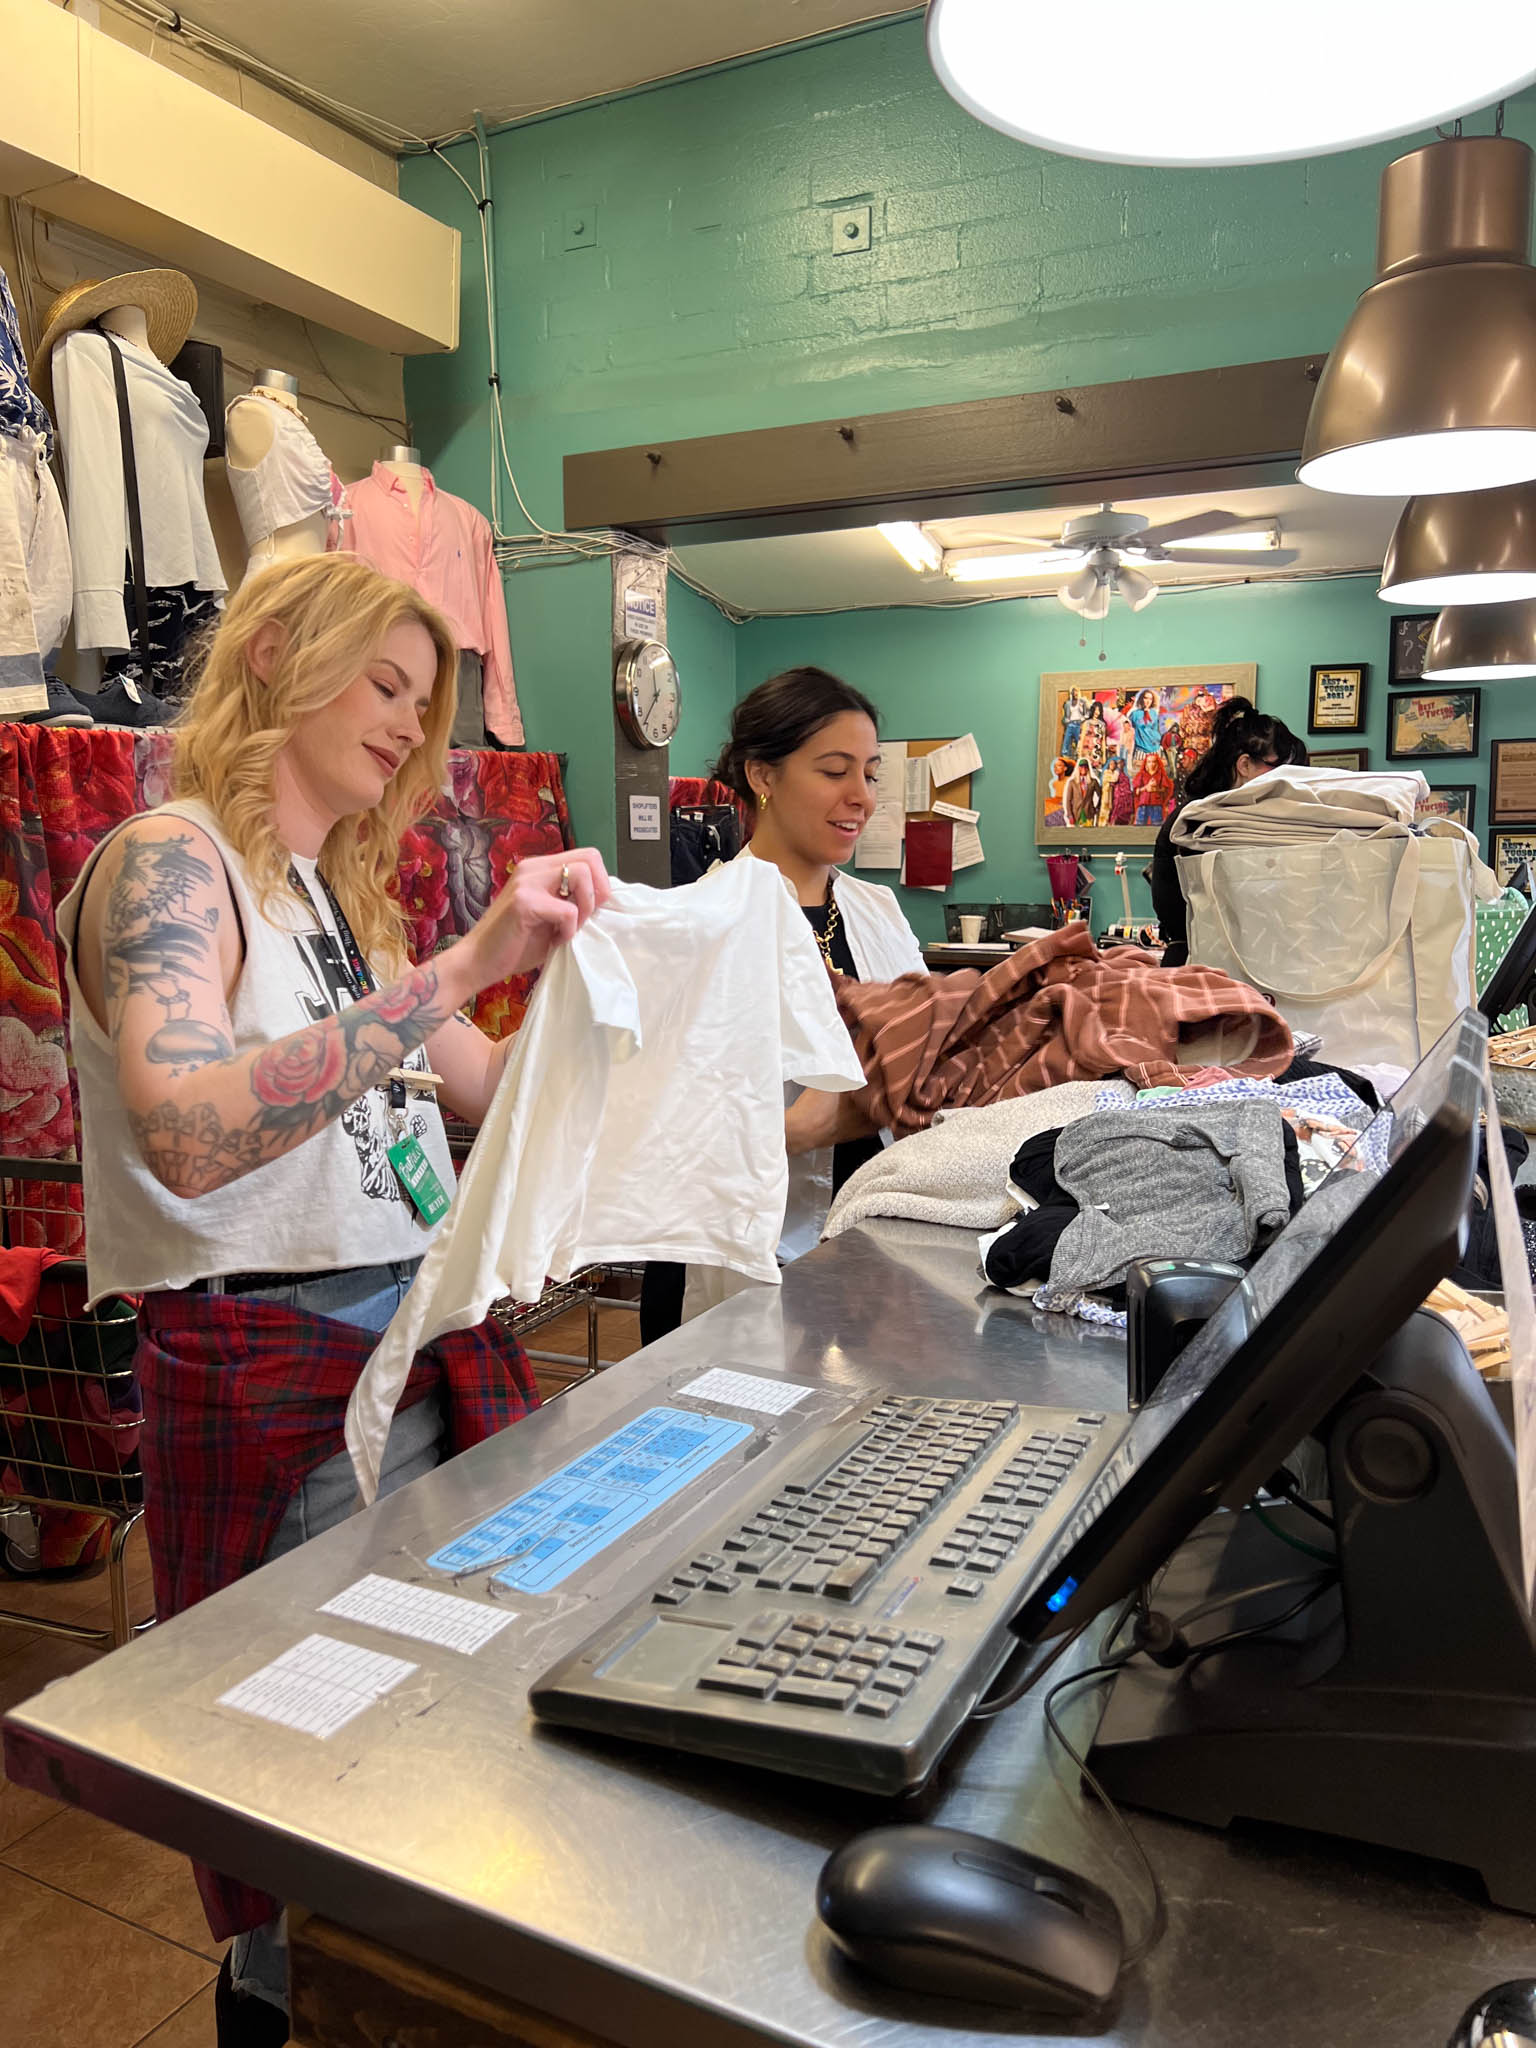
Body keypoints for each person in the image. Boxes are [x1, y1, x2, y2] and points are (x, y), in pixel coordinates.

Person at [58, 553, 609, 2044]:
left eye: (422, 706)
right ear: (280, 653)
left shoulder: (322, 900)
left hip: (411, 1345)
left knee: (412, 1745)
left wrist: (594, 977)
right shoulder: (171, 864)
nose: (402, 726)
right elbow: (182, 1127)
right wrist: (459, 967)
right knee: (309, 1774)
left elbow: (479, 1088)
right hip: (283, 1370)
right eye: (382, 683)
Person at [639, 667, 922, 1339]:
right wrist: (810, 1125)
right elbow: (661, 1132)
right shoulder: (694, 926)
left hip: (870, 1258)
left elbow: (930, 1054)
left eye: (871, 774)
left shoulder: (876, 912)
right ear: (763, 776)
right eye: (833, 771)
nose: (860, 797)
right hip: (742, 1265)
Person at [1148, 695, 1307, 966]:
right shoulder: (1195, 823)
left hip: (1233, 963)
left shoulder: (1234, 819)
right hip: (1198, 965)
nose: (1289, 783)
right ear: (1244, 765)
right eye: (1281, 770)